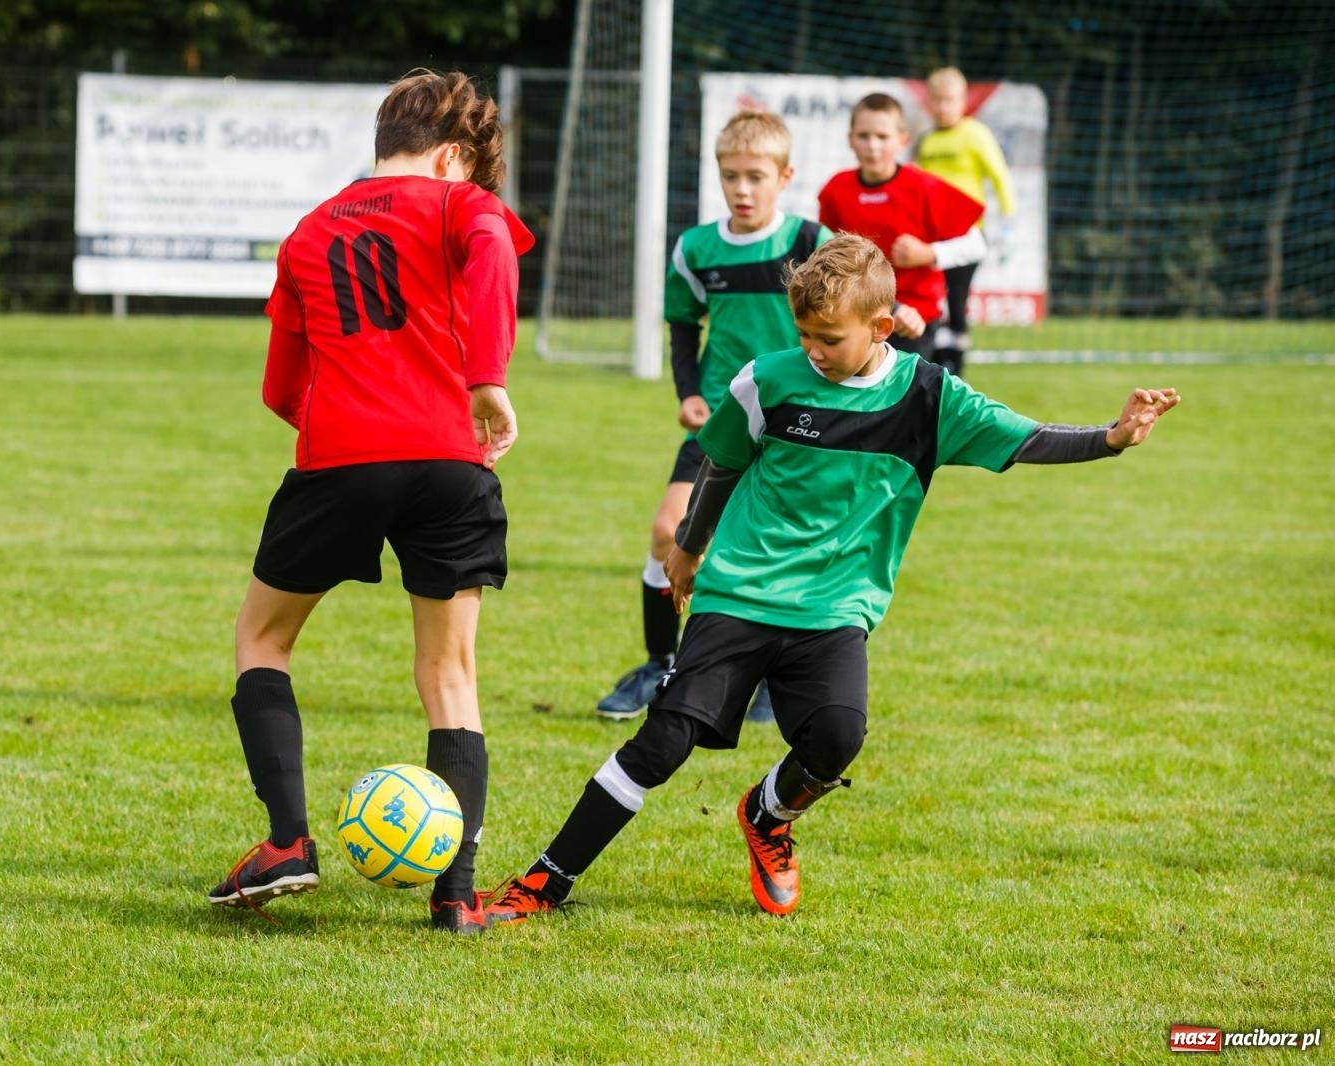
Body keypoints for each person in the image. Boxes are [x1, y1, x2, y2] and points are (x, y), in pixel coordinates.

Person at [486, 233, 1179, 922]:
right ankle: (547, 880)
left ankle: (768, 814)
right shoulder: (768, 380)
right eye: (805, 334)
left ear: (882, 328)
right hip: (741, 594)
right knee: (664, 741)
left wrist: (1111, 438)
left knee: (839, 736)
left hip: (834, 610)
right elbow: (720, 466)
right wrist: (690, 551)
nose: (813, 350)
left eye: (829, 338)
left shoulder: (930, 398)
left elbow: (1025, 438)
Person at [207, 69, 534, 935]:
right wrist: (486, 380)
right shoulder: (464, 205)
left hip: (342, 455)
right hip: (453, 461)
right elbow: (496, 249)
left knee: (262, 638)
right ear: (454, 155)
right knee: (450, 676)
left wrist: (345, 429)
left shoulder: (310, 230)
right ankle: (456, 897)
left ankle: (287, 843)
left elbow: (282, 387)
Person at [596, 109, 831, 724]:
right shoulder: (696, 248)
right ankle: (658, 665)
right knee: (666, 531)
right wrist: (688, 390)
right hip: (722, 424)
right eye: (731, 176)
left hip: (792, 429)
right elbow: (682, 324)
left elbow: (847, 319)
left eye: (756, 176)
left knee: (778, 550)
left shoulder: (810, 243)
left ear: (785, 176)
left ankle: (774, 682)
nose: (743, 189)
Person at [816, 93, 987, 367]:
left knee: (907, 404)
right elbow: (825, 253)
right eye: (864, 136)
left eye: (882, 137)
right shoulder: (836, 190)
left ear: (902, 140)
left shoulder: (924, 187)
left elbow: (977, 245)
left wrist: (928, 253)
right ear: (851, 140)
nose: (872, 146)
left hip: (914, 322)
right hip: (860, 317)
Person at [916, 66, 1017, 377]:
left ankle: (956, 365)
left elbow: (999, 175)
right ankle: (933, 359)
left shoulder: (975, 134)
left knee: (957, 298)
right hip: (932, 238)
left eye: (950, 100)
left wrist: (1008, 218)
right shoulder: (927, 141)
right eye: (938, 100)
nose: (943, 107)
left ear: (962, 102)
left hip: (966, 236)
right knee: (930, 298)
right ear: (929, 103)